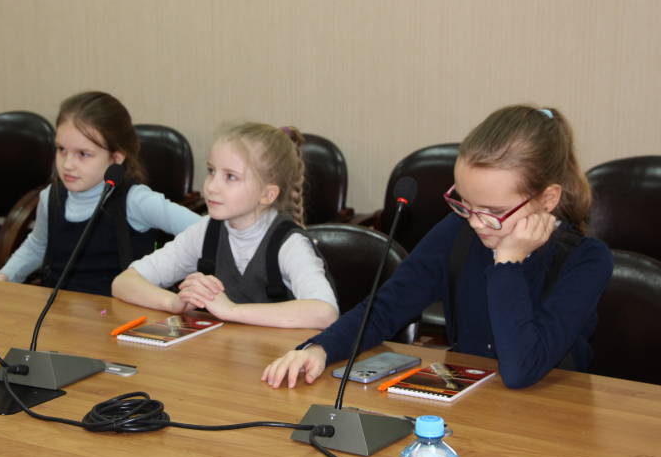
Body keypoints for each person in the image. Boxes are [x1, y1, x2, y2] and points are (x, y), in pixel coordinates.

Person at [262, 105, 613, 389]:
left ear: (548, 199)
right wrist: (321, 348)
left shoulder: (586, 261)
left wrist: (507, 264)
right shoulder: (458, 231)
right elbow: (386, 307)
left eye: (493, 212)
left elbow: (521, 369)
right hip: (474, 404)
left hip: (555, 417)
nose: (475, 222)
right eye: (465, 203)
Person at [112, 122, 339, 329]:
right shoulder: (206, 231)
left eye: (230, 177)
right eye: (211, 171)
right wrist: (174, 302)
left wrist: (231, 310)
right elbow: (123, 283)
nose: (211, 187)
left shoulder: (290, 244)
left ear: (267, 194)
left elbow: (325, 313)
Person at [0, 91, 201, 296]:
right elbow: (37, 246)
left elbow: (206, 232)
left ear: (116, 158)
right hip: (57, 309)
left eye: (83, 154)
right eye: (61, 149)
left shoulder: (136, 201)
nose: (67, 164)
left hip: (120, 311)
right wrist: (5, 277)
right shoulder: (50, 197)